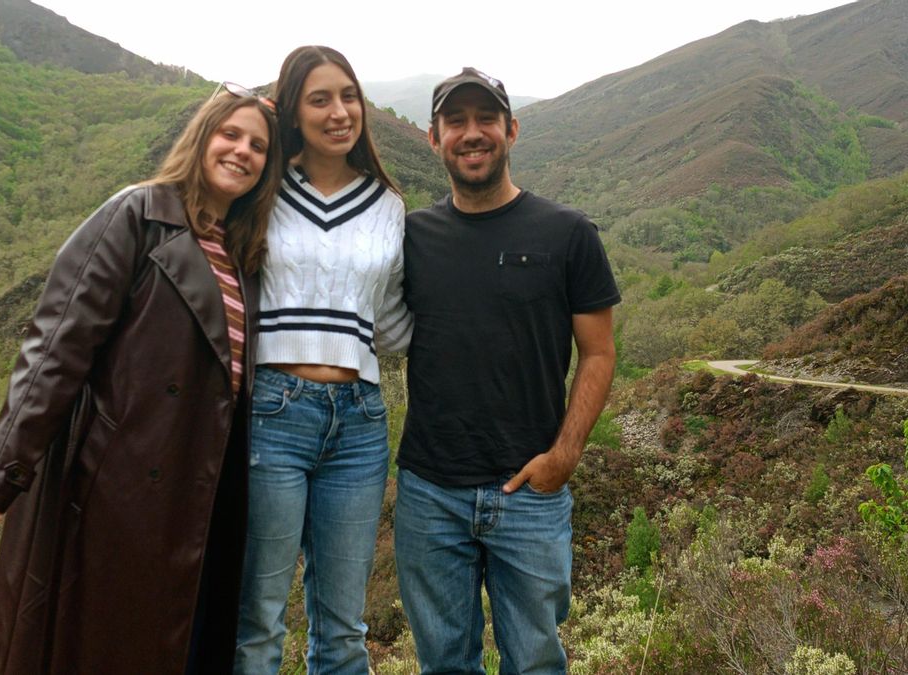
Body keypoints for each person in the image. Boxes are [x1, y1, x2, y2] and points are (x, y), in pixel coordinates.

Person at [0, 86, 281, 674]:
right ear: (202, 136)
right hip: (118, 479)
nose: (242, 151)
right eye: (230, 135)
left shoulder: (243, 251)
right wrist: (4, 468)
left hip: (201, 482)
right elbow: (59, 339)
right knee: (100, 641)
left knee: (174, 639)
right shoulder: (139, 214)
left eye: (258, 146)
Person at [395, 68, 621, 674]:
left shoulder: (569, 234)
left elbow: (599, 353)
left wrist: (566, 454)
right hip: (428, 493)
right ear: (433, 137)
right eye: (456, 122)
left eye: (486, 119)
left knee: (536, 664)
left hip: (530, 492)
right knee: (443, 664)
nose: (473, 134)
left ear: (512, 130)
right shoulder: (412, 237)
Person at [233, 45, 411, 675]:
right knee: (258, 617)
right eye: (320, 99)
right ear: (292, 112)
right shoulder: (259, 188)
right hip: (273, 414)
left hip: (361, 423)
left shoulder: (388, 205)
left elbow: (390, 326)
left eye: (348, 96)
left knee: (343, 627)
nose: (340, 112)